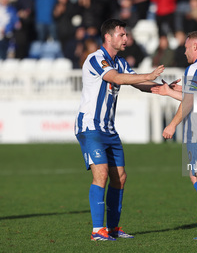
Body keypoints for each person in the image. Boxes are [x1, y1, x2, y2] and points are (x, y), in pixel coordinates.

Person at [74, 19, 165, 241]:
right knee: (102, 174)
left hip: (109, 129)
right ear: (108, 37)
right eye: (122, 35)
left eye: (126, 35)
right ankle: (97, 231)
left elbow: (138, 84)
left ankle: (113, 228)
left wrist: (167, 88)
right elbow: (115, 78)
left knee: (120, 178)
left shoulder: (120, 62)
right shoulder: (95, 59)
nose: (126, 39)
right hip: (90, 126)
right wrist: (147, 75)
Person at [152, 30, 197, 240]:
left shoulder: (194, 69)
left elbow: (190, 102)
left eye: (186, 47)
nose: (184, 51)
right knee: (196, 176)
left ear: (195, 46)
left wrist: (173, 124)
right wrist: (170, 92)